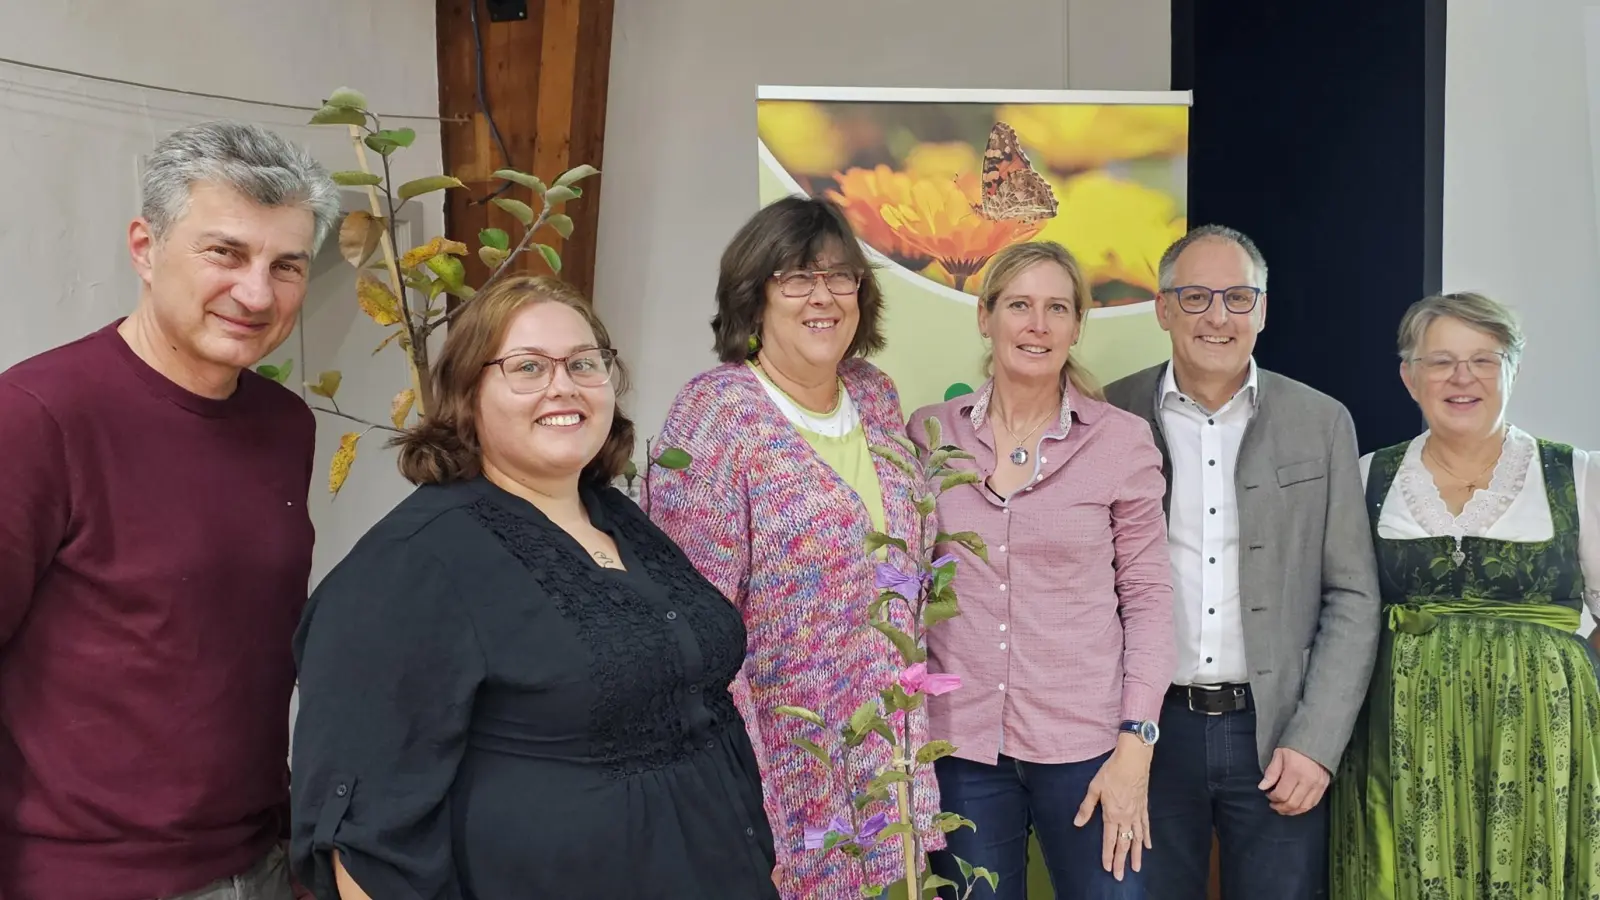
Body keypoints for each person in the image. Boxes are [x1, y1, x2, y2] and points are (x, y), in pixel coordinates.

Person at [287, 275, 779, 899]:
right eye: (527, 367)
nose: (563, 385)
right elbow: (360, 838)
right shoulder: (412, 565)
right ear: (468, 393)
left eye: (583, 363)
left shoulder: (616, 517)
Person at [0, 120, 337, 900]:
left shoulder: (285, 424)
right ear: (145, 248)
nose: (258, 293)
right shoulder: (37, 416)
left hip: (259, 861)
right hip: (82, 876)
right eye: (225, 252)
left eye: (286, 264)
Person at [648, 196, 941, 898]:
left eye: (840, 278)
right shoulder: (714, 415)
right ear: (755, 296)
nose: (824, 297)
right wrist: (749, 791)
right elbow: (695, 631)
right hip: (784, 771)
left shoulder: (875, 397)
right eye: (796, 278)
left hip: (890, 763)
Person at [1102, 224, 1382, 899]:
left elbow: (1353, 595)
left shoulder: (1321, 422)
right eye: (1195, 297)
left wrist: (1316, 740)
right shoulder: (1111, 413)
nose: (1218, 317)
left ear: (1263, 308)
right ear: (1163, 309)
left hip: (1277, 732)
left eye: (1238, 297)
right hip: (1146, 734)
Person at [910, 241, 1175, 900]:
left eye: (1058, 308)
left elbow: (1147, 599)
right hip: (963, 749)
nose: (1038, 324)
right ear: (985, 316)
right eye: (1020, 305)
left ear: (1078, 325)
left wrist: (1136, 745)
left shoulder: (1120, 441)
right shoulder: (928, 435)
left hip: (1090, 751)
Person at [1329, 291, 1600, 897]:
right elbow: (1338, 611)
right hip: (1400, 741)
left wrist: (1555, 688)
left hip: (1539, 739)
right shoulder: (1368, 475)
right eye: (1441, 360)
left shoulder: (1578, 475)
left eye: (1484, 359)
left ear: (1513, 370)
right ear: (1409, 376)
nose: (1462, 378)